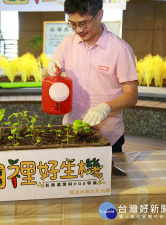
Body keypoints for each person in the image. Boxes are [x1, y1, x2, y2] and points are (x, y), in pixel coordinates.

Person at [48, 0, 138, 155]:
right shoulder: (67, 43)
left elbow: (131, 96)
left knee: (106, 178)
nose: (78, 30)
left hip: (108, 136)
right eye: (73, 24)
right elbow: (51, 74)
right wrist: (50, 68)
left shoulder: (120, 49)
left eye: (83, 24)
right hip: (72, 130)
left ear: (100, 15)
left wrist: (106, 107)